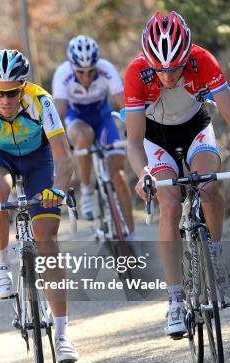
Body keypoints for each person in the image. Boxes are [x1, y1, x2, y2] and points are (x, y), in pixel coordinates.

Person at [124, 11, 230, 336]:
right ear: (149, 61)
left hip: (196, 128)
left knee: (208, 187)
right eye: (161, 69)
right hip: (156, 139)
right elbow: (135, 141)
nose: (168, 76)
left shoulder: (202, 61)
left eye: (176, 68)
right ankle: (176, 299)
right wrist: (143, 174)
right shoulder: (137, 73)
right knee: (169, 205)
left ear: (187, 56)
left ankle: (215, 256)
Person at [0, 49, 78, 363]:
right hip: (1, 158)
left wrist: (57, 190)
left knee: (47, 239)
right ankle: (0, 266)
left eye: (13, 92)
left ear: (23, 87)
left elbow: (65, 160)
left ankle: (63, 334)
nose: (6, 99)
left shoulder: (42, 102)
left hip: (40, 160)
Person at [52, 35, 134, 234]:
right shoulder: (62, 74)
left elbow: (125, 105)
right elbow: (59, 116)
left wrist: (131, 127)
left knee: (119, 177)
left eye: (91, 71)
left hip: (102, 118)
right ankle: (87, 189)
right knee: (84, 136)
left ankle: (131, 235)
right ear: (72, 66)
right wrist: (63, 147)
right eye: (81, 72)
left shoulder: (106, 69)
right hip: (76, 119)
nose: (86, 77)